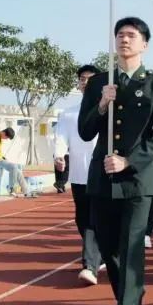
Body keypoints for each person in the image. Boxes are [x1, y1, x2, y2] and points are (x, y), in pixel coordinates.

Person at [79, 17, 153, 305]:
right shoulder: (99, 83)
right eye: (120, 34)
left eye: (131, 35)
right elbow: (85, 131)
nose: (124, 39)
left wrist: (129, 161)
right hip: (102, 179)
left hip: (137, 181)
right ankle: (130, 297)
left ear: (144, 44)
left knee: (132, 250)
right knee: (109, 249)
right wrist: (102, 105)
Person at [55, 64, 103, 286]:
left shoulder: (108, 109)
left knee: (96, 218)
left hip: (102, 173)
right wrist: (59, 155)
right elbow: (61, 137)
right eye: (83, 79)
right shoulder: (69, 113)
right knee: (82, 218)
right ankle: (98, 253)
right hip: (79, 173)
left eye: (91, 79)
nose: (86, 82)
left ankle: (90, 264)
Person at [0, 127, 36, 197]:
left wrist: (4, 158)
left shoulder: (0, 137)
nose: (6, 139)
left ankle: (26, 191)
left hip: (0, 159)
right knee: (14, 166)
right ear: (4, 133)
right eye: (7, 137)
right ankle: (11, 189)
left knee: (17, 170)